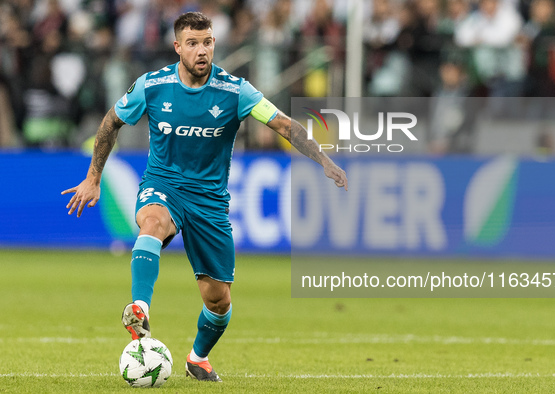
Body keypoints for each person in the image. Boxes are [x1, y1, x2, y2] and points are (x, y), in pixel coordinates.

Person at [61, 11, 347, 382]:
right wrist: (93, 177)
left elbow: (284, 125)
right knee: (152, 221)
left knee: (218, 300)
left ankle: (197, 358)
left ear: (215, 44)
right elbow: (111, 121)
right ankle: (140, 307)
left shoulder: (236, 91)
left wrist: (322, 159)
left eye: (207, 42)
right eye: (193, 43)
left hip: (210, 200)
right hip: (163, 183)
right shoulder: (152, 85)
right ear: (177, 46)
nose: (202, 50)